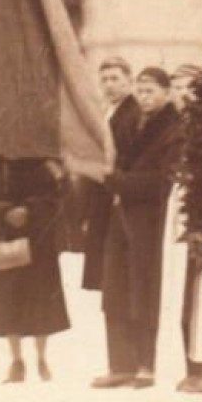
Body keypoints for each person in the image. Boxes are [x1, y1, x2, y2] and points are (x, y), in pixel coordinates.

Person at [95, 68, 184, 389]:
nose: (144, 97)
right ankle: (120, 364)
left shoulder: (174, 129)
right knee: (116, 289)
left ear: (166, 92)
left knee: (143, 291)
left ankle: (146, 363)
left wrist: (120, 183)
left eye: (150, 91)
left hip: (150, 221)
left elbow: (165, 180)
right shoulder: (132, 123)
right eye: (140, 90)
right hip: (123, 217)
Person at [0, 158, 70, 383]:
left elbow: (56, 198)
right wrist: (5, 213)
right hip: (6, 239)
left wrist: (28, 211)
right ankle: (17, 359)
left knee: (40, 302)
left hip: (39, 242)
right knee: (10, 301)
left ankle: (40, 356)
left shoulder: (46, 167)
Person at [165, 63, 202, 393]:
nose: (183, 95)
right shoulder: (178, 128)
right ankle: (193, 365)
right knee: (184, 293)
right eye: (177, 88)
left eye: (189, 88)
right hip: (180, 215)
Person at [81, 59, 140, 302]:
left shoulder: (132, 114)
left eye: (115, 79)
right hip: (103, 193)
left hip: (116, 194)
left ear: (129, 80)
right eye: (104, 80)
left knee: (116, 268)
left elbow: (126, 156)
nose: (109, 85)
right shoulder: (109, 112)